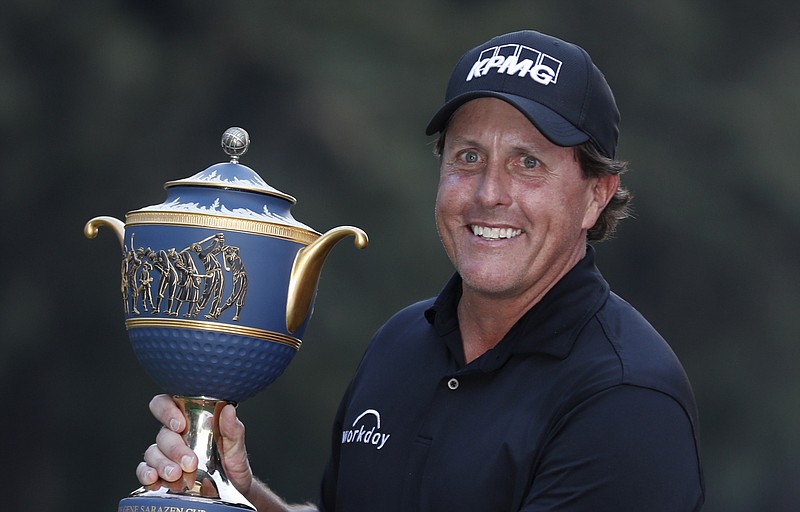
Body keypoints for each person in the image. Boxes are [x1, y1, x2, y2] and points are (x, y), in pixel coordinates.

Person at [137, 30, 705, 511]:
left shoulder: (626, 400)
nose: (489, 193)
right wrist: (234, 493)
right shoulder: (400, 344)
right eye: (468, 156)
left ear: (596, 197)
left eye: (527, 163)